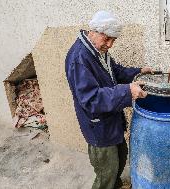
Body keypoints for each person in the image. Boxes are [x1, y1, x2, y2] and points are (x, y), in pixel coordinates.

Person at [65, 10, 152, 189]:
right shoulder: (80, 58)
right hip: (98, 126)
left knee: (120, 157)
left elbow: (115, 72)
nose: (110, 45)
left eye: (113, 40)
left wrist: (137, 72)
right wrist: (127, 92)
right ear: (94, 32)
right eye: (107, 39)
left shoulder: (97, 50)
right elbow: (91, 99)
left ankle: (116, 184)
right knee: (106, 172)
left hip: (111, 120)